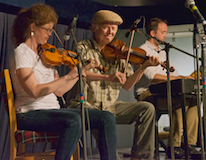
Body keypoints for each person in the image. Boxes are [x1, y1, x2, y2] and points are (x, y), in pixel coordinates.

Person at [10, 4, 117, 160]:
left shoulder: (46, 53)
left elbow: (59, 91)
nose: (49, 34)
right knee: (73, 120)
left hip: (53, 110)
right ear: (33, 27)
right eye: (47, 29)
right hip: (30, 113)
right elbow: (34, 91)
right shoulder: (21, 52)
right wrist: (66, 77)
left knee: (106, 117)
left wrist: (78, 74)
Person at [65, 10, 161, 160]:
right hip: (86, 105)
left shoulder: (120, 52)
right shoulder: (82, 48)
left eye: (114, 28)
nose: (111, 32)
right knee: (104, 118)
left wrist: (143, 67)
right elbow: (80, 72)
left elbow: (127, 85)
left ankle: (140, 157)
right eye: (106, 27)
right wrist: (108, 77)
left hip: (110, 107)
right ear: (94, 27)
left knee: (147, 108)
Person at [134, 17, 200, 158]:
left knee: (195, 100)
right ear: (152, 33)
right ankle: (174, 145)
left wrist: (186, 78)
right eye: (163, 32)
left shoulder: (163, 52)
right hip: (147, 93)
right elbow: (151, 77)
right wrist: (179, 78)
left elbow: (173, 75)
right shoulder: (142, 51)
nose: (165, 35)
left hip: (165, 93)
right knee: (176, 101)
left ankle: (188, 143)